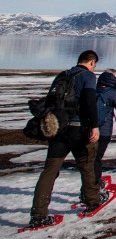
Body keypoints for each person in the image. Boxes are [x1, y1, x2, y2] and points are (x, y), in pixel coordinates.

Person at [28, 50, 105, 229]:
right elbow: (89, 101)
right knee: (86, 165)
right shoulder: (88, 77)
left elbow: (50, 102)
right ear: (92, 62)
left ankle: (38, 214)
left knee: (49, 171)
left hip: (58, 130)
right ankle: (92, 200)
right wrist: (94, 126)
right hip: (78, 129)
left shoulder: (63, 75)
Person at [94, 70, 116, 190]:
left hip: (89, 130)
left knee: (91, 158)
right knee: (97, 158)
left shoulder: (92, 91)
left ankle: (90, 184)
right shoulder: (113, 93)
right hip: (104, 131)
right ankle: (95, 183)